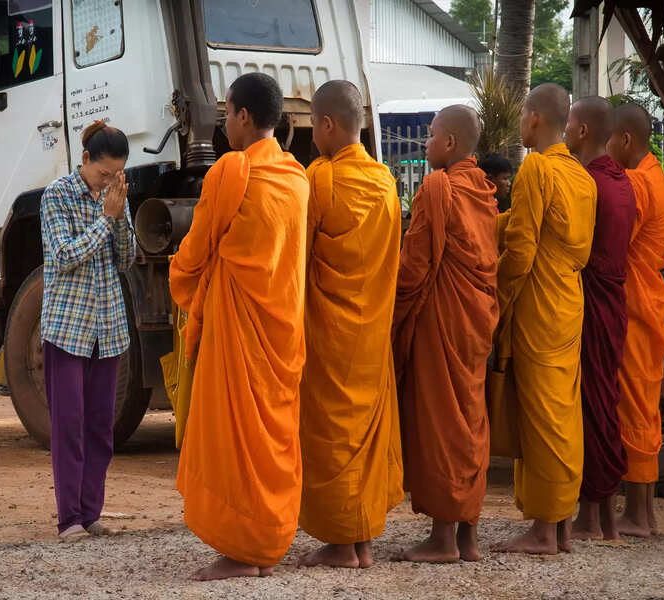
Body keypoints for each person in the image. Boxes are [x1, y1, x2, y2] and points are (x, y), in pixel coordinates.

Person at [170, 72, 309, 580]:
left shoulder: (232, 170)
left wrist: (181, 279)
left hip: (240, 329)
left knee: (234, 436)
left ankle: (240, 550)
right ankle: (264, 540)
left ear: (245, 117)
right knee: (269, 437)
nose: (225, 123)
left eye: (227, 113)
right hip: (281, 332)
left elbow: (198, 245)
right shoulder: (298, 177)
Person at [297, 81, 405, 569]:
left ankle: (343, 544)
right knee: (362, 428)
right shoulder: (385, 180)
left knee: (331, 430)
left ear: (327, 124)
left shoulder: (321, 178)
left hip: (329, 332)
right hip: (372, 329)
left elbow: (298, 259)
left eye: (314, 129)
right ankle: (360, 539)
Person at [492, 83, 597, 555]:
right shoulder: (582, 178)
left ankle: (542, 530)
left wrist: (498, 296)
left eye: (522, 115)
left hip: (537, 299)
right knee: (563, 408)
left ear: (534, 118)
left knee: (541, 414)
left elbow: (521, 247)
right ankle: (560, 526)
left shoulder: (537, 167)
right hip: (568, 299)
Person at [392, 105, 499, 563]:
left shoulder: (437, 188)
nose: (425, 143)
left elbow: (414, 265)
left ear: (450, 144)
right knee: (471, 418)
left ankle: (441, 539)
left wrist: (386, 298)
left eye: (431, 136)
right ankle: (468, 537)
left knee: (442, 421)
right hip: (476, 320)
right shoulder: (486, 192)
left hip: (442, 318)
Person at [39, 121, 136, 543]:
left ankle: (91, 512)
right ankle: (69, 519)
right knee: (69, 424)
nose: (108, 182)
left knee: (100, 425)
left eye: (116, 176)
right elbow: (63, 257)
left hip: (107, 326)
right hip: (67, 327)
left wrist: (118, 220)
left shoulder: (116, 198)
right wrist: (105, 220)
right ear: (85, 161)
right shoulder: (56, 196)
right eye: (103, 175)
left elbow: (127, 259)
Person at [564, 96, 635, 541]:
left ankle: (590, 516)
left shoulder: (588, 184)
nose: (566, 132)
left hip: (591, 301)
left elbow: (574, 248)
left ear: (583, 131)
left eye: (569, 124)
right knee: (603, 402)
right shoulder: (623, 181)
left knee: (589, 405)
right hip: (614, 302)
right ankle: (605, 515)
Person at [606, 102, 664, 538]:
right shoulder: (658, 178)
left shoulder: (636, 183)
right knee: (643, 404)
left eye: (607, 140)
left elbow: (615, 244)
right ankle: (643, 513)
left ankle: (635, 513)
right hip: (650, 298)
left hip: (633, 301)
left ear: (625, 140)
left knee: (632, 402)